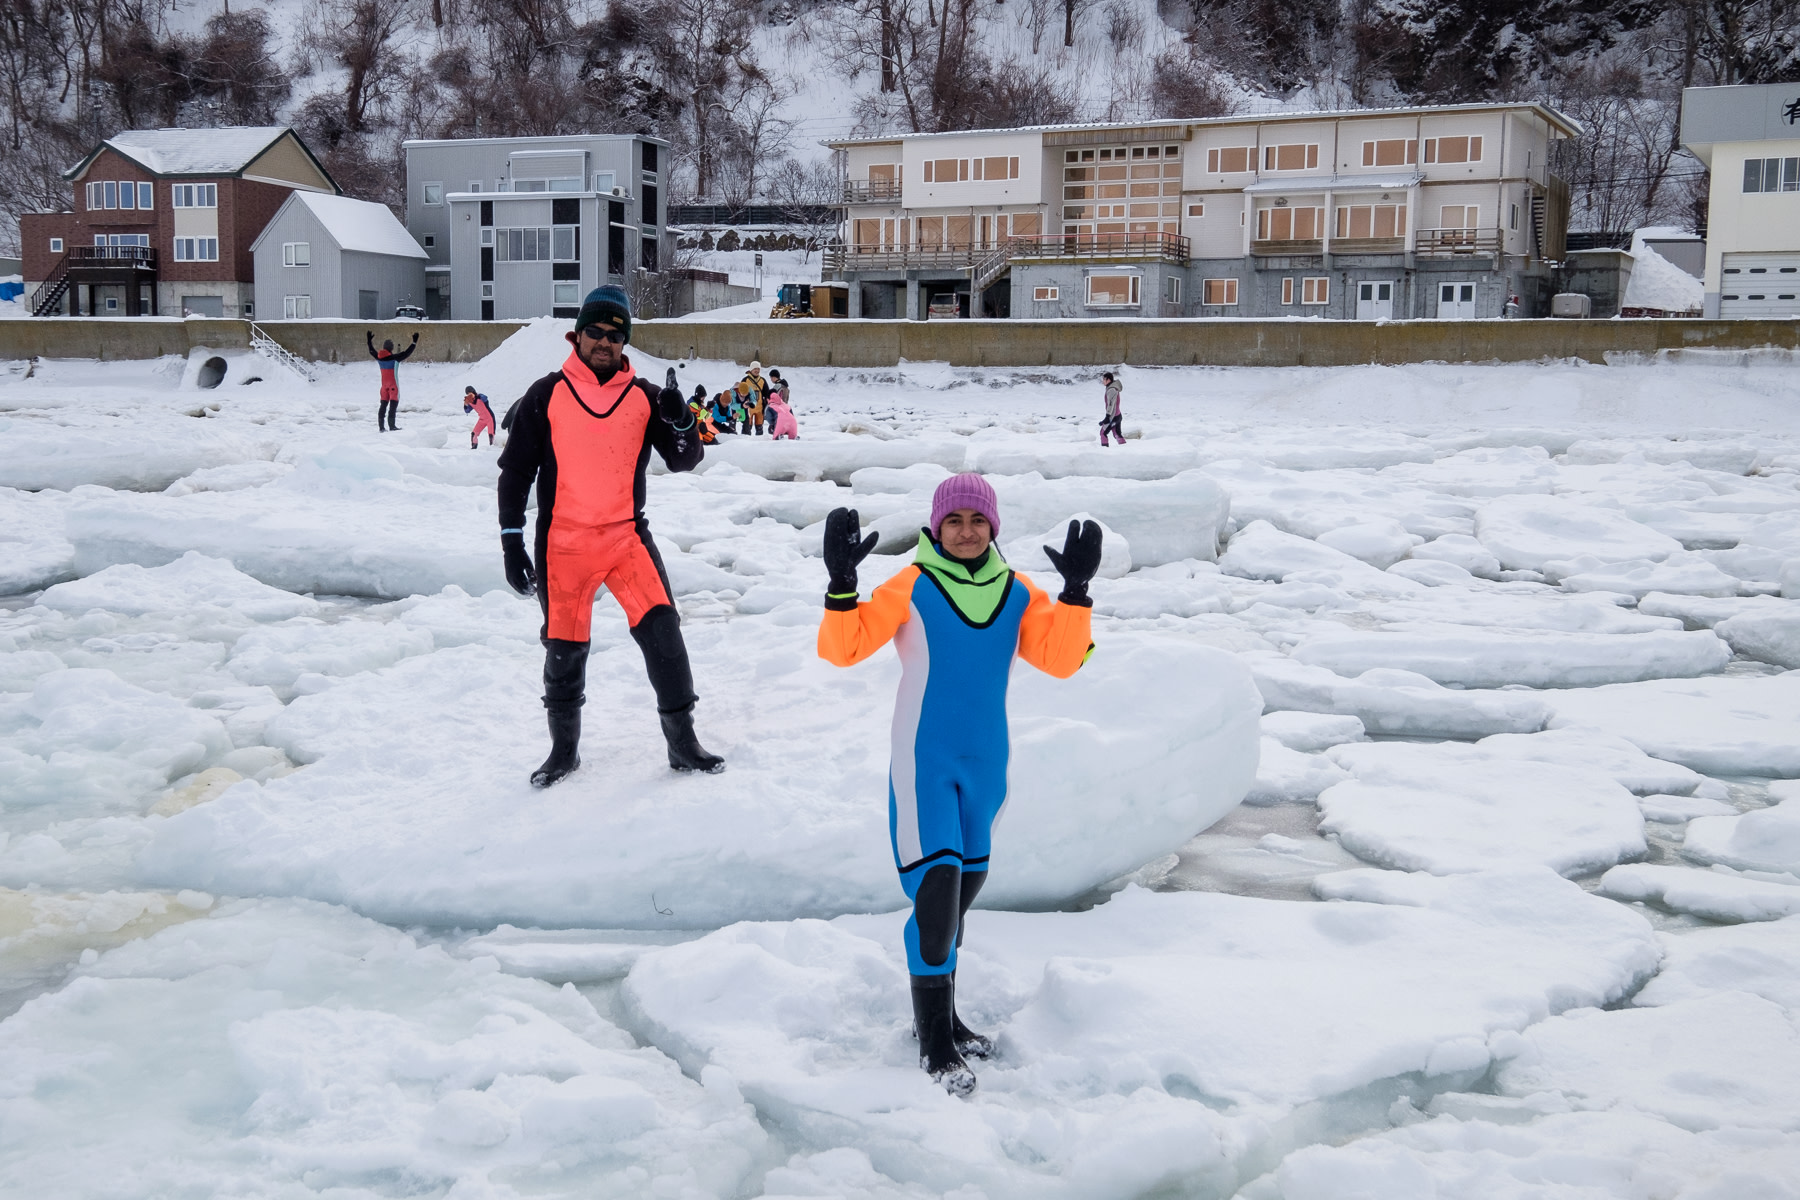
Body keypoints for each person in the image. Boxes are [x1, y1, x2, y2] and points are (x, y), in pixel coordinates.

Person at [817, 474, 1101, 1096]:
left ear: (993, 527)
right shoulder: (912, 585)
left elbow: (1062, 661)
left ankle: (943, 1014)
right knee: (938, 889)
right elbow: (844, 650)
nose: (967, 531)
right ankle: (936, 1044)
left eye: (978, 520)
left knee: (959, 895)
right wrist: (842, 587)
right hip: (925, 762)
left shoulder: (1019, 592)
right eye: (955, 521)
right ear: (936, 527)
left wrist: (1076, 593)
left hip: (986, 770)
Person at [496, 286, 725, 787]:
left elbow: (686, 459)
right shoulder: (546, 393)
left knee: (664, 633)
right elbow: (515, 473)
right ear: (575, 335)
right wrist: (511, 540)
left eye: (615, 335)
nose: (605, 342)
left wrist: (681, 418)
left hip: (626, 538)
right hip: (564, 544)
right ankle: (563, 752)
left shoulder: (644, 396)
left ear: (625, 343)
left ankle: (683, 744)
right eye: (595, 332)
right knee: (564, 649)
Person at [367, 330, 418, 432]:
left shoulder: (379, 358)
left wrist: (369, 341)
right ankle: (392, 426)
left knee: (383, 406)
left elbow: (371, 351)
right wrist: (414, 342)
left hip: (384, 386)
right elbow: (407, 353)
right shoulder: (394, 358)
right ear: (392, 349)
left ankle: (381, 427)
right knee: (393, 406)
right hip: (393, 385)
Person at [738, 361, 770, 436]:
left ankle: (759, 443)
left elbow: (767, 393)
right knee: (747, 427)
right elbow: (740, 392)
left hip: (760, 408)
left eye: (758, 369)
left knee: (759, 427)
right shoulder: (745, 380)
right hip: (749, 407)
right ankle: (745, 441)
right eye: (755, 369)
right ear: (751, 370)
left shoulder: (762, 380)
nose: (757, 371)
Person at [1099, 371, 1124, 447]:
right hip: (1117, 416)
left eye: (1104, 379)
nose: (1102, 381)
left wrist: (1107, 417)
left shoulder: (1111, 390)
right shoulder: (1112, 388)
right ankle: (1125, 449)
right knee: (1117, 434)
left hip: (1113, 417)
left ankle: (1104, 451)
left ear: (1108, 380)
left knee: (1103, 433)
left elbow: (1111, 404)